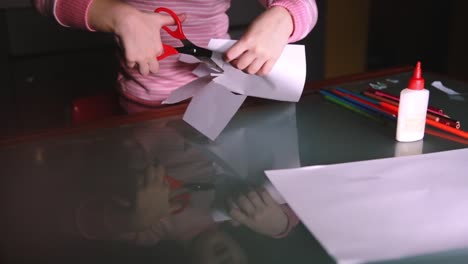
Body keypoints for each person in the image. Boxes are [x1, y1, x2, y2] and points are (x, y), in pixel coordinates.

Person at [33, 0, 318, 109]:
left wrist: (284, 18)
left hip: (223, 100)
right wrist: (118, 16)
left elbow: (304, 5)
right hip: (145, 111)